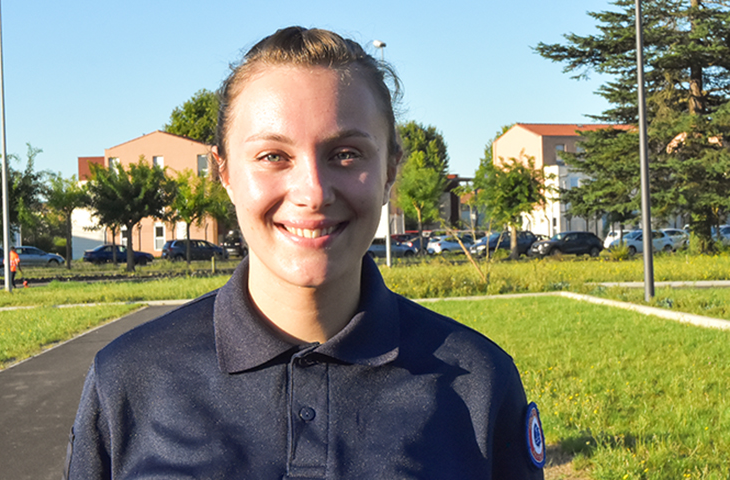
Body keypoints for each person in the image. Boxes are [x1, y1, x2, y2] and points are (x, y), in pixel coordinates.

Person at [64, 27, 545, 479]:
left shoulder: (480, 383)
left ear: (390, 168)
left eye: (347, 154)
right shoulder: (130, 379)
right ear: (226, 171)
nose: (313, 193)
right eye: (273, 156)